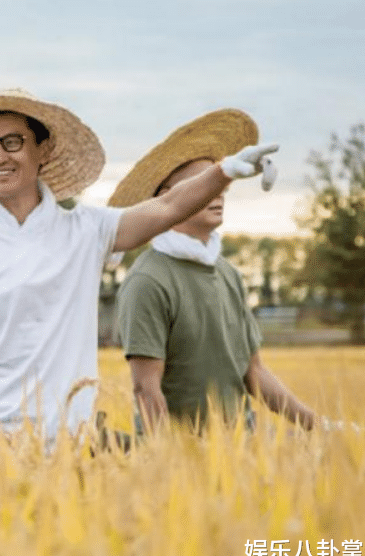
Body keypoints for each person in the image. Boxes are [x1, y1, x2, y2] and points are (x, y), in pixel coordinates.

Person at [0, 90, 280, 455]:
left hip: (75, 454)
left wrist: (224, 173)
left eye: (12, 142)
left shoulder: (87, 230)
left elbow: (168, 206)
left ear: (43, 150)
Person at [111, 109, 318, 436]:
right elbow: (145, 389)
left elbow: (254, 374)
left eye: (221, 183)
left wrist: (322, 427)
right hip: (181, 460)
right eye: (204, 185)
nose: (218, 192)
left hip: (239, 452)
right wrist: (164, 462)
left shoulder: (229, 275)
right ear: (170, 198)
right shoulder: (147, 280)